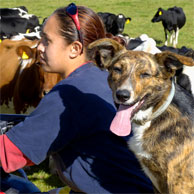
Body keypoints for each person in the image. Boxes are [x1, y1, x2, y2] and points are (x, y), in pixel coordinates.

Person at [0, 3, 154, 193]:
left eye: (47, 41)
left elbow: (8, 155)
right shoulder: (101, 76)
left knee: (16, 188)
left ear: (74, 49)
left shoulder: (69, 94)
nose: (39, 47)